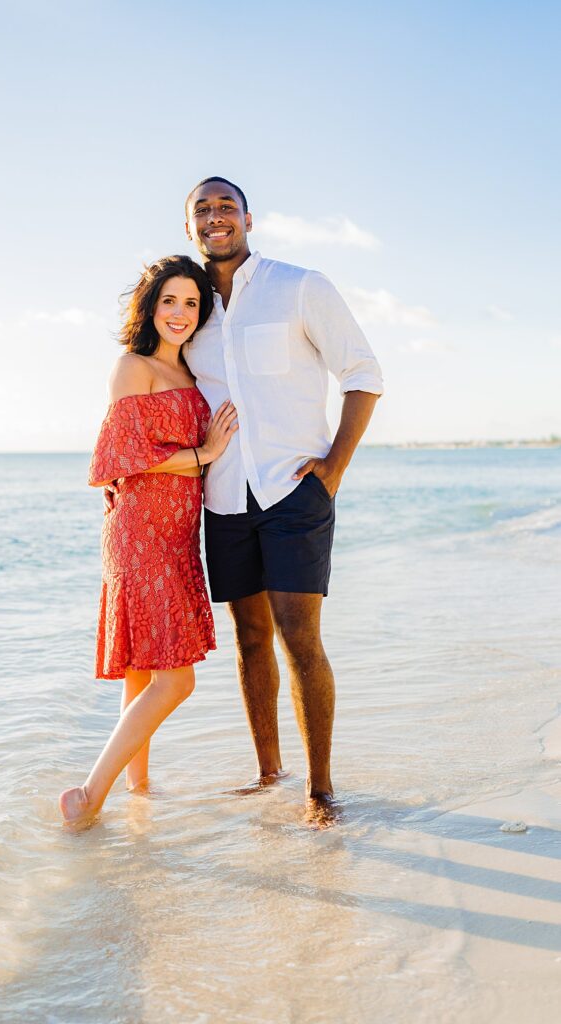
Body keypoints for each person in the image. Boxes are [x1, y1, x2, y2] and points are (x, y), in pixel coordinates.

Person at [183, 176, 384, 825]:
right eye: (201, 210)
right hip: (222, 495)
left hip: (294, 488)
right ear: (190, 225)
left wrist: (332, 468)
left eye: (224, 207)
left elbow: (363, 373)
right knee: (247, 639)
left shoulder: (298, 284)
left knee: (300, 639)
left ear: (247, 216)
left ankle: (320, 790)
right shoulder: (188, 307)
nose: (215, 218)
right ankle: (268, 773)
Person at [59, 254, 238, 825]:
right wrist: (204, 454)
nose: (180, 313)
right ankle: (88, 796)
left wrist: (201, 464)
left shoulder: (193, 377)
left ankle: (138, 793)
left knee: (142, 667)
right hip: (140, 532)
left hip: (179, 533)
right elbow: (123, 459)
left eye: (191, 302)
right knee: (175, 680)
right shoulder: (132, 367)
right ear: (150, 306)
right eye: (169, 301)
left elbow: (163, 462)